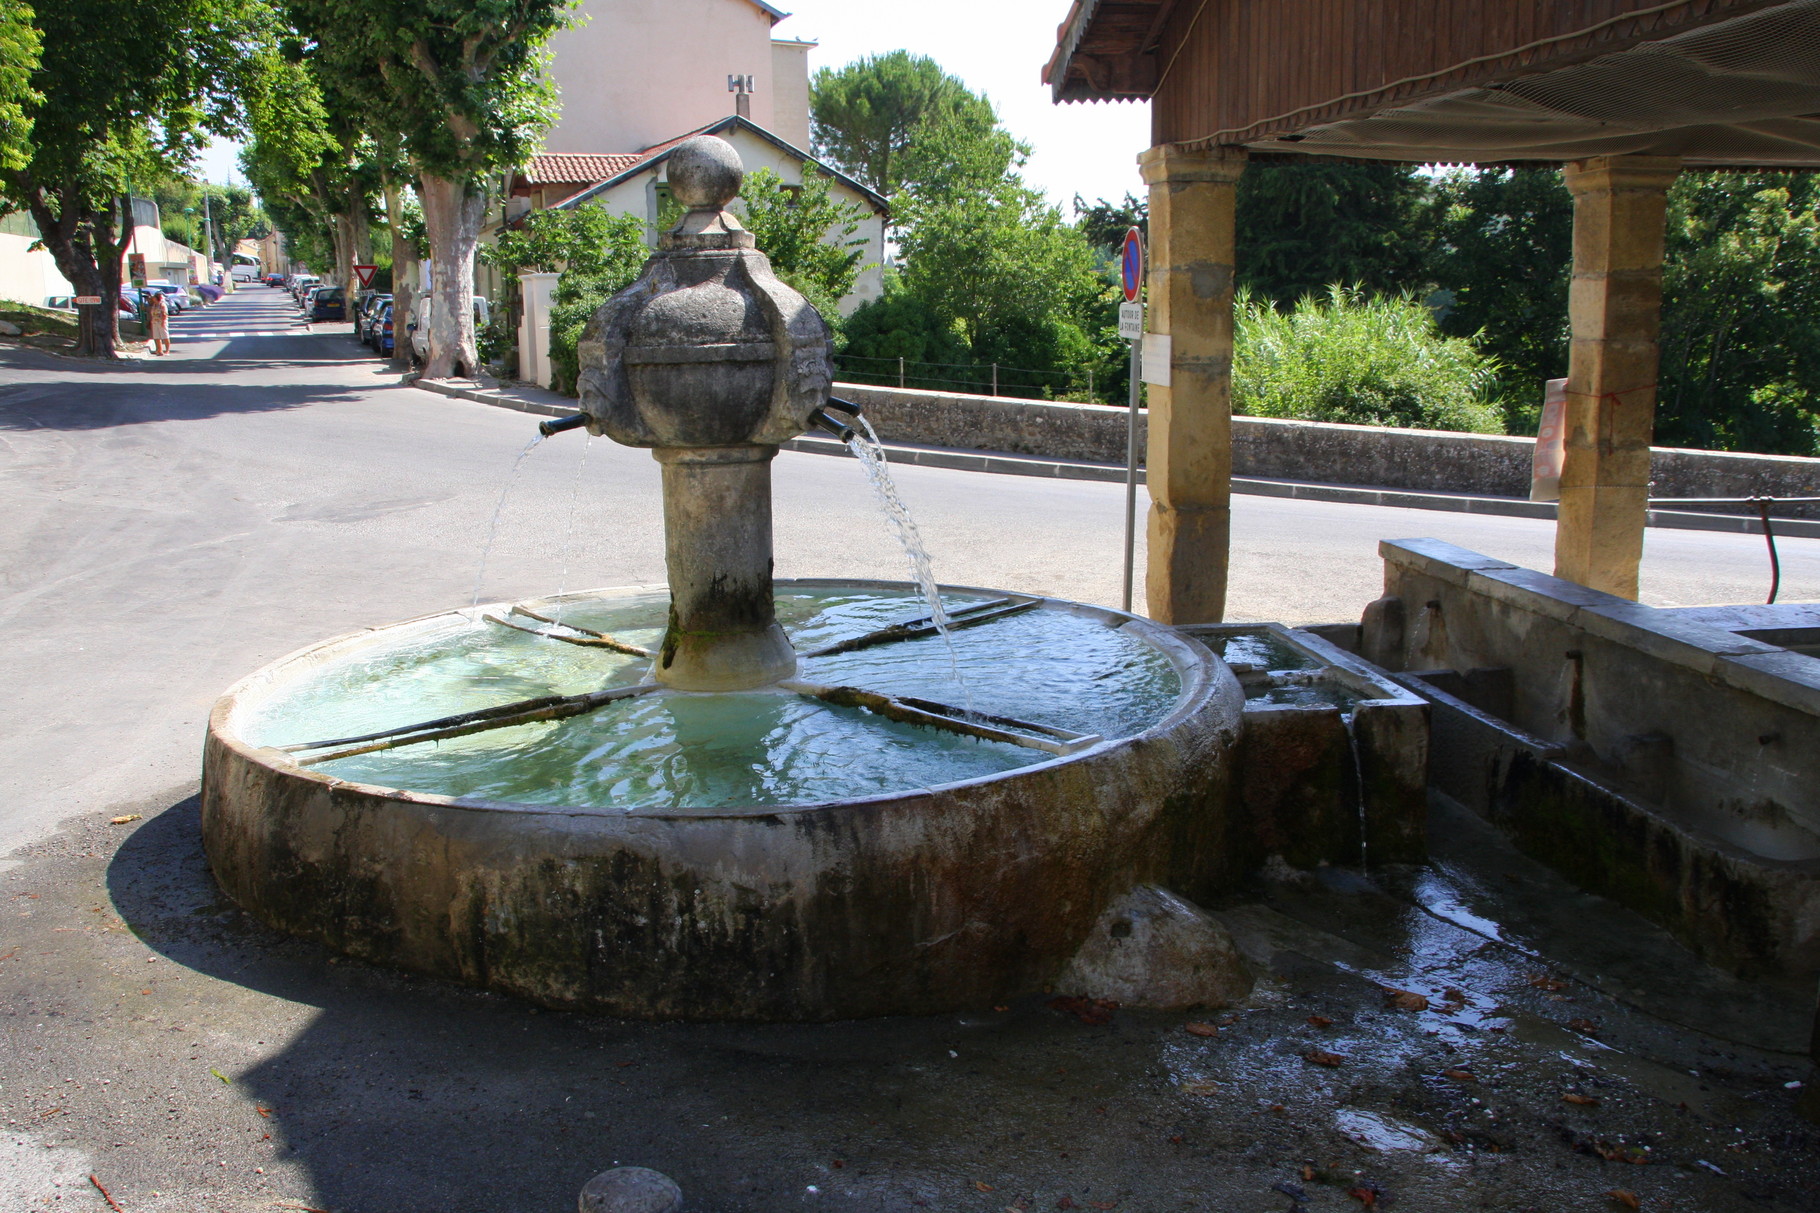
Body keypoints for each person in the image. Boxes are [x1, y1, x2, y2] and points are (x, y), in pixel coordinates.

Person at [145, 288, 171, 356]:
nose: (153, 299)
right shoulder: (154, 305)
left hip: (161, 322)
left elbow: (165, 314)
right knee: (156, 337)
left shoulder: (162, 305)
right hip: (154, 322)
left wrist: (163, 322)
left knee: (165, 336)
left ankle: (167, 350)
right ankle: (159, 350)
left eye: (154, 298)